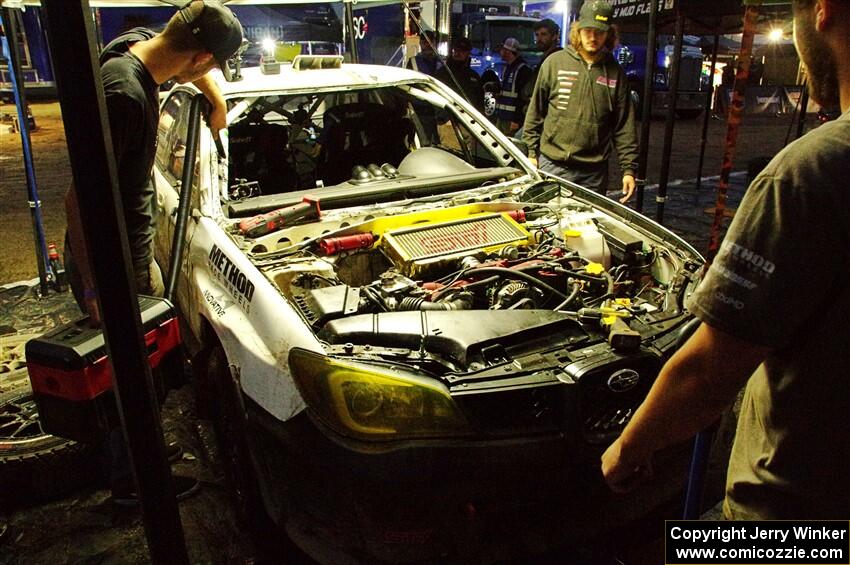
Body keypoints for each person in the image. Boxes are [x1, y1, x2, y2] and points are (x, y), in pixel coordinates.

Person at [602, 0, 850, 520]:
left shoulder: (812, 171)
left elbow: (707, 377)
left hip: (792, 515)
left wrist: (626, 451)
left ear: (822, 11)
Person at [63, 0, 244, 506]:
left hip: (128, 252)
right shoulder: (125, 96)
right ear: (200, 56)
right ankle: (132, 485)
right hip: (111, 260)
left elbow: (181, 60)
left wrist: (217, 99)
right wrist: (101, 286)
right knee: (126, 376)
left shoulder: (137, 49)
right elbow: (78, 200)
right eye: (211, 65)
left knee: (142, 367)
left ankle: (138, 458)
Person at [522, 0, 638, 203]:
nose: (593, 37)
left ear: (609, 34)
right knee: (548, 224)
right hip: (552, 165)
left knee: (587, 229)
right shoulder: (555, 63)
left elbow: (624, 126)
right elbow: (536, 111)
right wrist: (531, 153)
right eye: (588, 31)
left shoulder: (616, 74)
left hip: (594, 174)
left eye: (599, 32)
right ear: (578, 30)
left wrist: (628, 170)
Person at [518, 19, 563, 132]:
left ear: (555, 36)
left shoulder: (557, 59)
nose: (539, 39)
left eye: (543, 34)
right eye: (537, 35)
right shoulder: (544, 59)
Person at [435, 36, 485, 113]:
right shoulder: (442, 73)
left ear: (468, 54)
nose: (458, 53)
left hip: (468, 120)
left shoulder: (474, 77)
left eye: (463, 51)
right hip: (447, 119)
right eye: (456, 50)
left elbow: (479, 103)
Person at [494, 37, 532, 136]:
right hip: (502, 117)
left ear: (508, 51)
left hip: (511, 120)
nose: (500, 52)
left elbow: (522, 98)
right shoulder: (508, 68)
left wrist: (517, 120)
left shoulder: (523, 70)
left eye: (503, 49)